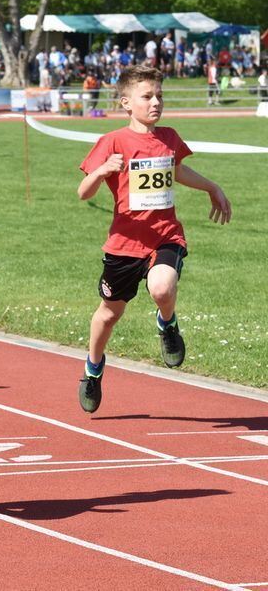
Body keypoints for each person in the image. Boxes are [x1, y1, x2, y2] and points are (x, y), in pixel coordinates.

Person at [75, 65, 231, 414]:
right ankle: (93, 368)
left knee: (162, 288)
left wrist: (212, 187)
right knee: (108, 316)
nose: (156, 102)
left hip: (165, 236)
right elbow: (83, 192)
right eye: (147, 96)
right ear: (126, 103)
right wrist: (102, 171)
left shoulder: (169, 137)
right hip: (124, 245)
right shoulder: (112, 141)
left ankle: (167, 323)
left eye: (159, 95)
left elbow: (177, 170)